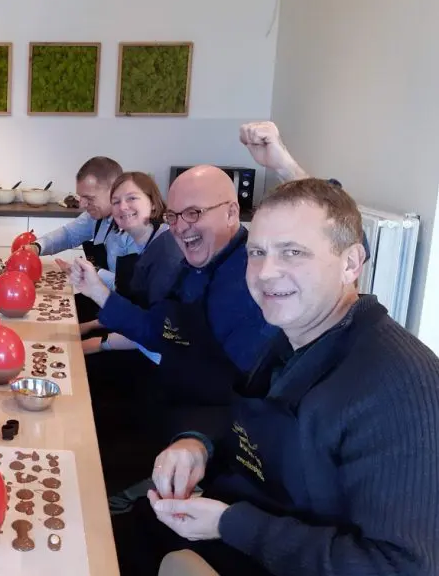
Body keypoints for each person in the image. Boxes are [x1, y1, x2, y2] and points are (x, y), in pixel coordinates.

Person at [120, 178, 439, 576]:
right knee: (122, 532)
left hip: (276, 555)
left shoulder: (400, 386)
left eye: (293, 252)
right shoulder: (288, 339)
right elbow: (239, 415)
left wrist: (230, 524)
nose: (266, 273)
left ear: (351, 263)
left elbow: (400, 566)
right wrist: (197, 445)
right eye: (257, 252)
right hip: (234, 520)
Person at [72, 165, 280, 450]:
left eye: (194, 213)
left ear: (232, 213)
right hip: (171, 395)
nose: (180, 227)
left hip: (208, 429)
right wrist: (98, 292)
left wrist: (196, 442)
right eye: (174, 216)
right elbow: (159, 330)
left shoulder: (253, 277)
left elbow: (248, 398)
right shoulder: (193, 265)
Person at [23, 156, 143, 321]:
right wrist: (37, 246)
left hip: (124, 313)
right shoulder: (96, 216)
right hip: (98, 300)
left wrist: (92, 273)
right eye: (81, 197)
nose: (82, 204)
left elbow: (132, 290)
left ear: (114, 191)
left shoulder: (137, 230)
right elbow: (68, 234)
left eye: (89, 198)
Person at [80, 171, 183, 358]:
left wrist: (100, 343)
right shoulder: (126, 240)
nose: (123, 207)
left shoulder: (167, 251)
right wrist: (90, 326)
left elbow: (157, 332)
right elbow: (132, 309)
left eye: (132, 198)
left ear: (153, 203)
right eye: (116, 202)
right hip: (134, 337)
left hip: (158, 357)